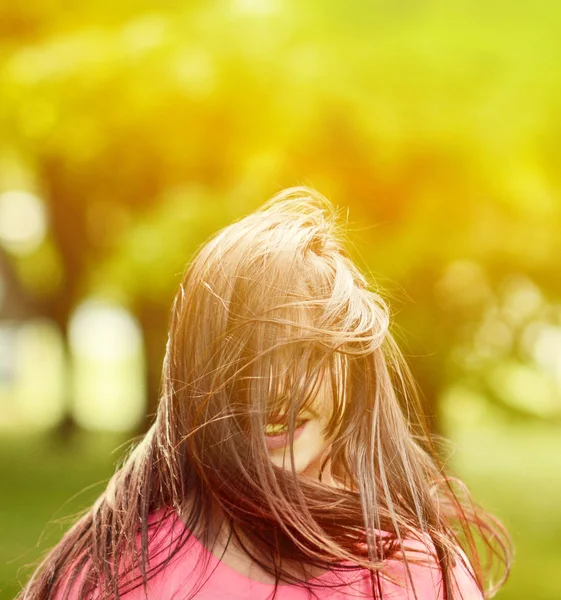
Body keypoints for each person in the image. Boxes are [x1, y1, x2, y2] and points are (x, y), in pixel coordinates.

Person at [19, 187, 512, 600]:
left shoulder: (410, 576)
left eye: (307, 354)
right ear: (197, 376)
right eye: (251, 361)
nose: (279, 390)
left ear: (354, 368)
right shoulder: (117, 573)